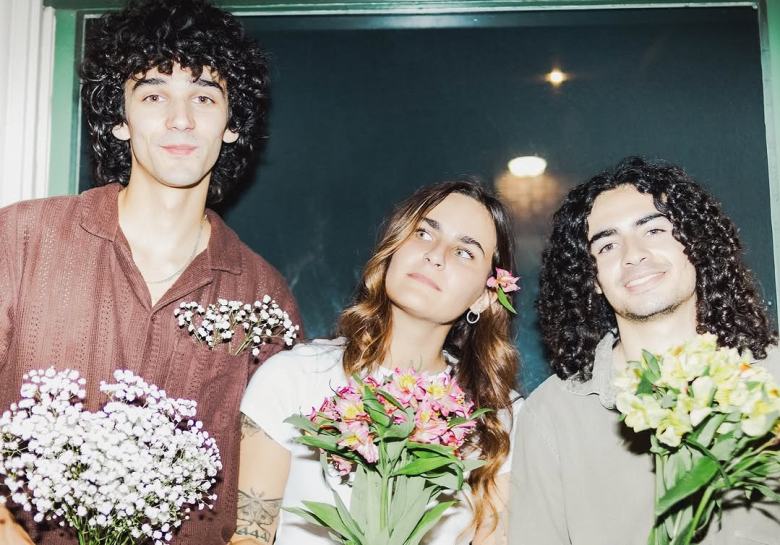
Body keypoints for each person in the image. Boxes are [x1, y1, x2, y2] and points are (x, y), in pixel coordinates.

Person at [0, 0, 302, 543]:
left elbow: (270, 489)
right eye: (154, 94)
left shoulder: (264, 297)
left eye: (205, 97)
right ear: (120, 119)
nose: (180, 119)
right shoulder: (20, 242)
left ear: (232, 127)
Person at [233, 180, 523, 545]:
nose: (435, 255)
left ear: (484, 296)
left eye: (465, 252)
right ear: (394, 248)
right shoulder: (292, 377)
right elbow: (248, 538)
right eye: (423, 233)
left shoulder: (500, 418)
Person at [509, 156, 780, 544]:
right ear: (593, 281)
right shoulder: (552, 415)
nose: (632, 254)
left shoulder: (773, 374)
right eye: (607, 245)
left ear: (694, 243)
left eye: (653, 230)